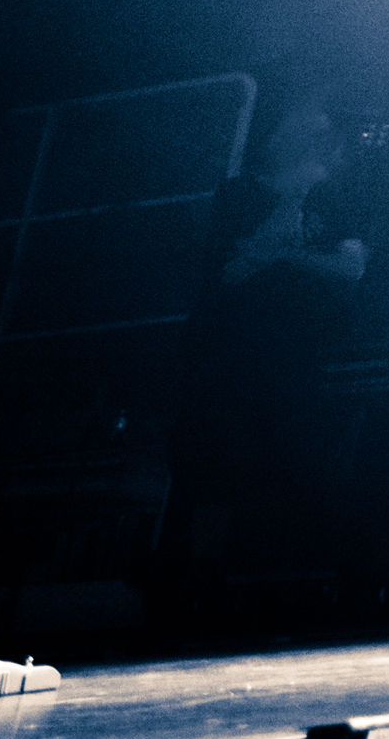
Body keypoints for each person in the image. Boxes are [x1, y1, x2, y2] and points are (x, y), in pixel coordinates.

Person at [148, 100, 366, 630]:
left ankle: (260, 577)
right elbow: (232, 270)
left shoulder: (337, 201)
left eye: (323, 131)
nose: (317, 139)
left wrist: (281, 253)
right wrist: (288, 207)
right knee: (213, 465)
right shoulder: (240, 192)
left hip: (295, 354)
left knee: (282, 461)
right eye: (306, 128)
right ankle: (195, 579)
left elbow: (351, 267)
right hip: (229, 353)